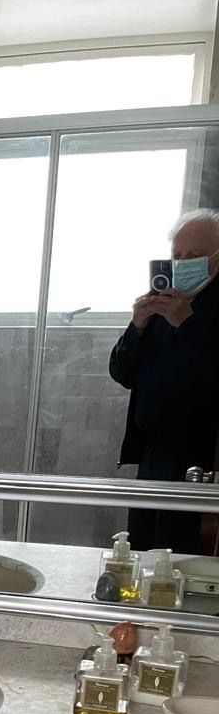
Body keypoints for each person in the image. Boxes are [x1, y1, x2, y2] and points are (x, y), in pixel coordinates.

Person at [108, 207, 219, 553]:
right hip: (151, 453)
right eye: (177, 255)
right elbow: (122, 373)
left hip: (198, 460)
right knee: (141, 549)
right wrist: (137, 326)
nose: (182, 263)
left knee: (178, 556)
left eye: (194, 255)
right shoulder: (162, 301)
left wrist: (187, 324)